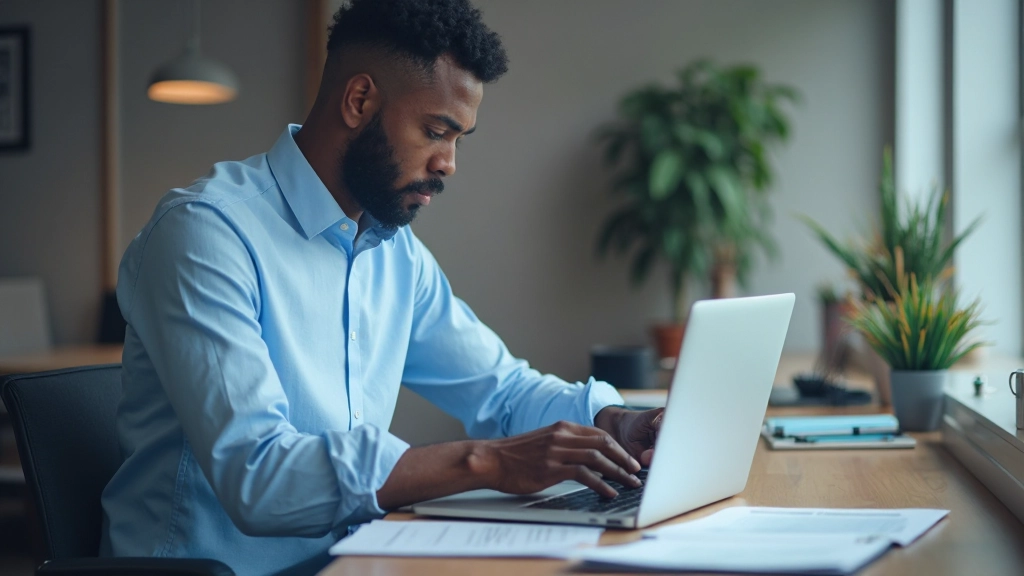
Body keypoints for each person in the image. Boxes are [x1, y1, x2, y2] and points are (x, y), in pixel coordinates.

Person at [100, 0, 664, 574]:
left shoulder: (394, 253)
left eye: (459, 139)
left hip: (350, 561)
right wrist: (487, 463)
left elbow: (501, 391)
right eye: (436, 131)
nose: (448, 164)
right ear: (359, 101)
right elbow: (258, 475)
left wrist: (617, 422)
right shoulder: (205, 234)